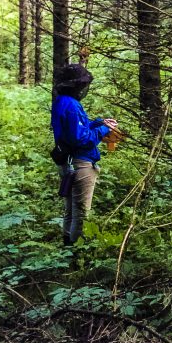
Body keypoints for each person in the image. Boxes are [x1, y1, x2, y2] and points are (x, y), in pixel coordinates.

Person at [50, 64, 116, 247]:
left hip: (69, 161)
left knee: (71, 208)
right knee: (81, 211)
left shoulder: (61, 101)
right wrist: (103, 129)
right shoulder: (70, 104)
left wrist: (98, 123)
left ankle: (67, 244)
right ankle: (75, 251)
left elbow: (76, 128)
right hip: (80, 163)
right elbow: (81, 139)